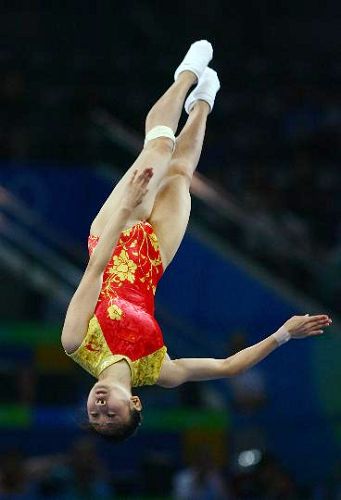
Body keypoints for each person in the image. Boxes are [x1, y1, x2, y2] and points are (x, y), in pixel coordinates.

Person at [61, 40, 332, 441]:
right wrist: (284, 335)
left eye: (95, 416)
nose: (100, 409)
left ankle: (187, 74)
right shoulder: (159, 369)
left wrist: (127, 207)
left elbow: (96, 269)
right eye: (111, 416)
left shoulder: (75, 343)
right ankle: (204, 100)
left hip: (114, 233)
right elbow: (228, 368)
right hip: (155, 256)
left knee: (159, 146)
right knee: (181, 173)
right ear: (135, 404)